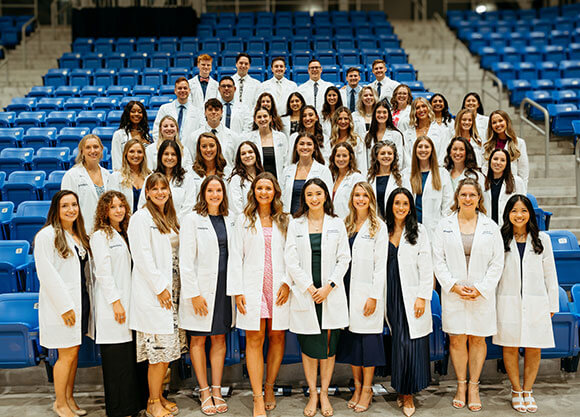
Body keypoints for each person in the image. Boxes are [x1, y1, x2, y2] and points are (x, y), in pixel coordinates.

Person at [432, 177, 504, 412]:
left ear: (479, 198)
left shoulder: (490, 226)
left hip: (480, 293)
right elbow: (438, 260)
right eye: (463, 194)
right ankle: (460, 385)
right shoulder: (445, 225)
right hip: (454, 292)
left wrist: (481, 288)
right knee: (457, 339)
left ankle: (474, 386)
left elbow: (497, 262)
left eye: (472, 195)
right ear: (457, 197)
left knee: (477, 338)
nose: (467, 198)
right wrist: (452, 285)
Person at [285, 178, 350, 417]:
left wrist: (328, 287)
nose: (314, 198)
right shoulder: (296, 223)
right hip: (307, 294)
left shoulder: (336, 223)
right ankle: (312, 393)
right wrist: (309, 287)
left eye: (318, 193)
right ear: (304, 198)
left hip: (329, 294)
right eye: (309, 194)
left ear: (325, 196)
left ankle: (325, 393)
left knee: (328, 346)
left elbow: (344, 258)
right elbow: (290, 260)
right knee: (309, 346)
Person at [227, 172, 291, 417]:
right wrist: (237, 292)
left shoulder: (285, 220)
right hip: (252, 287)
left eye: (268, 188)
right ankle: (256, 397)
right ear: (253, 192)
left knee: (276, 337)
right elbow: (235, 257)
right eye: (260, 188)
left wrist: (287, 282)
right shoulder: (243, 220)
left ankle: (269, 387)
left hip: (278, 288)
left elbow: (292, 255)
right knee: (255, 339)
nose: (264, 192)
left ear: (275, 191)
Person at [494, 195, 559, 414]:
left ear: (530, 213)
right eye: (514, 211)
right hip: (507, 300)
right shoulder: (500, 238)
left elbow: (550, 275)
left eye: (523, 210)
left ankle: (528, 390)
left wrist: (552, 304)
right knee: (510, 346)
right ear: (508, 214)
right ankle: (515, 390)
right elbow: (494, 274)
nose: (519, 215)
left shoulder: (543, 240)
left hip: (536, 302)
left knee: (534, 347)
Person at [128, 173, 185, 417]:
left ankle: (160, 395)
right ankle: (152, 402)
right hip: (156, 294)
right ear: (147, 192)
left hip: (173, 292)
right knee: (158, 353)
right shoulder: (141, 218)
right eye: (155, 189)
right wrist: (160, 288)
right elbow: (141, 256)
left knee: (168, 352)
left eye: (164, 188)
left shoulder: (170, 217)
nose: (161, 192)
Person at [179, 176, 234, 416]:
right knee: (198, 340)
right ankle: (203, 390)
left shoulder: (231, 219)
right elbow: (186, 260)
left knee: (220, 339)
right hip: (200, 291)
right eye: (210, 190)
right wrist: (194, 294)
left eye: (218, 190)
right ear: (203, 193)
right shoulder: (192, 220)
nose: (214, 194)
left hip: (223, 288)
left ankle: (217, 389)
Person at [34, 190, 92, 417]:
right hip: (63, 306)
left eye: (74, 205)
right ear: (56, 210)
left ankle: (69, 398)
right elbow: (47, 274)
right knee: (65, 355)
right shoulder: (46, 236)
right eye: (65, 206)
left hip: (80, 301)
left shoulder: (77, 234)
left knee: (73, 353)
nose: (71, 209)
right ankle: (59, 403)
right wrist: (65, 306)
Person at [91, 191, 147, 417]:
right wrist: (115, 302)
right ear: (104, 210)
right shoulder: (100, 236)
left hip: (130, 305)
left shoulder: (124, 233)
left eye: (121, 205)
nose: (118, 210)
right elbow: (103, 273)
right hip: (113, 307)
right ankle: (119, 410)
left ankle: (134, 406)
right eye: (112, 206)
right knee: (117, 364)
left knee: (129, 361)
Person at [336, 182, 387, 413]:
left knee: (368, 344)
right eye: (357, 195)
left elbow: (380, 267)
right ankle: (356, 387)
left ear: (371, 199)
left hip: (367, 292)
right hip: (346, 291)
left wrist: (374, 296)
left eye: (364, 195)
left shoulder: (379, 227)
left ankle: (367, 389)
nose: (360, 199)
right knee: (353, 344)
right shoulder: (345, 224)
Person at [384, 188, 433, 417]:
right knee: (398, 343)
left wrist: (423, 296)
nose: (401, 207)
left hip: (412, 294)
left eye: (405, 203)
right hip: (390, 292)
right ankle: (400, 389)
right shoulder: (383, 229)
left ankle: (408, 393)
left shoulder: (419, 230)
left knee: (410, 344)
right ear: (390, 205)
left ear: (411, 207)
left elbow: (426, 267)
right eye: (396, 203)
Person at [404, 136, 453, 237]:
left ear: (432, 150)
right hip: (411, 228)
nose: (423, 150)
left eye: (426, 147)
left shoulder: (442, 174)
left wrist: (443, 228)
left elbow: (447, 205)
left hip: (435, 230)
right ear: (415, 150)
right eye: (420, 146)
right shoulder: (406, 174)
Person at [62, 134, 111, 234]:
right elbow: (66, 208)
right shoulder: (71, 175)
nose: (93, 151)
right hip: (82, 231)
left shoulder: (107, 174)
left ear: (101, 150)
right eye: (88, 147)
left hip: (105, 230)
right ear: (82, 151)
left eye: (96, 147)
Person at [138, 140, 197, 220]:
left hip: (180, 227)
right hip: (154, 226)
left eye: (173, 154)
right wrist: (158, 223)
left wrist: (174, 224)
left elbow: (189, 206)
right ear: (160, 156)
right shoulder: (150, 178)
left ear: (178, 157)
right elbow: (143, 204)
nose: (169, 157)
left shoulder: (187, 178)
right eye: (166, 154)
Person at [281, 133, 333, 214]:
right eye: (301, 144)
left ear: (314, 148)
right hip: (290, 219)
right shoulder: (287, 171)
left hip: (314, 219)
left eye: (309, 144)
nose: (305, 147)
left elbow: (328, 199)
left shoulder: (323, 171)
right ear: (296, 147)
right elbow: (281, 198)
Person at [483, 110, 529, 191]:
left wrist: (522, 192)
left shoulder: (519, 143)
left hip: (511, 188)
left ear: (507, 122)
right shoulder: (487, 145)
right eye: (494, 122)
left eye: (500, 121)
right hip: (491, 187)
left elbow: (523, 172)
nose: (498, 124)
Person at [367, 141, 411, 220]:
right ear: (376, 156)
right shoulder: (369, 179)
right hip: (375, 223)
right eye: (383, 153)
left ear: (394, 156)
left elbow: (408, 201)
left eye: (390, 153)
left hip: (397, 222)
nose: (386, 156)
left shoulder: (402, 178)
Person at [186, 99, 237, 165]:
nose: (213, 112)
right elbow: (190, 161)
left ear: (221, 112)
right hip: (202, 174)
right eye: (210, 109)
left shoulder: (233, 136)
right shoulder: (194, 136)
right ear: (205, 112)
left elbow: (236, 162)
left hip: (227, 173)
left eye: (216, 109)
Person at [483, 148, 525, 225]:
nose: (498, 162)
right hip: (487, 228)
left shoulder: (517, 182)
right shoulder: (482, 182)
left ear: (507, 164)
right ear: (490, 161)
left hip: (508, 228)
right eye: (495, 159)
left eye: (502, 160)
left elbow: (523, 207)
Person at [107, 139, 150, 213]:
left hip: (147, 221)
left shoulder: (150, 176)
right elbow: (111, 204)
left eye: (139, 152)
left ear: (144, 155)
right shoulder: (115, 177)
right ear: (126, 154)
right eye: (132, 151)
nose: (136, 155)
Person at [152, 77, 201, 142]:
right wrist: (163, 147)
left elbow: (200, 133)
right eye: (179, 88)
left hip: (190, 150)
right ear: (175, 91)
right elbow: (156, 131)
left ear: (189, 91)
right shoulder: (164, 109)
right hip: (167, 148)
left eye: (185, 88)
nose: (182, 90)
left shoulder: (197, 112)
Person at [248, 106, 289, 180]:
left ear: (270, 118)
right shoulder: (249, 138)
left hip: (277, 180)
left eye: (265, 116)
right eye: (259, 117)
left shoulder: (281, 137)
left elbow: (286, 162)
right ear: (255, 119)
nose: (262, 119)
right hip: (257, 181)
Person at [364, 101, 407, 170]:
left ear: (389, 115)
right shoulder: (368, 136)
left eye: (384, 112)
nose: (381, 115)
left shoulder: (396, 135)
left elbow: (399, 159)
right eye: (378, 112)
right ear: (374, 114)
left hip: (391, 175)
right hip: (372, 176)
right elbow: (365, 160)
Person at [227, 141, 265, 217]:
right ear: (239, 158)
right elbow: (236, 208)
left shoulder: (264, 177)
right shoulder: (236, 180)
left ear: (256, 154)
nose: (247, 155)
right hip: (245, 223)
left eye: (250, 152)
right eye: (243, 154)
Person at [111, 101, 152, 171]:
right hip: (125, 176)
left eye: (140, 112)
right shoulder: (119, 134)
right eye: (133, 111)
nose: (136, 114)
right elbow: (116, 160)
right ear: (127, 114)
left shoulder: (146, 135)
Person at [329, 142, 365, 219]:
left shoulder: (357, 178)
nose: (341, 159)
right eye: (338, 156)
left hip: (350, 223)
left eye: (344, 156)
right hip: (334, 223)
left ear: (350, 158)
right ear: (333, 158)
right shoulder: (332, 178)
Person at [327, 106, 367, 174]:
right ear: (336, 121)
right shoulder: (330, 142)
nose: (343, 122)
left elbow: (362, 166)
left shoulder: (357, 141)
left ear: (350, 120)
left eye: (346, 119)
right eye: (340, 119)